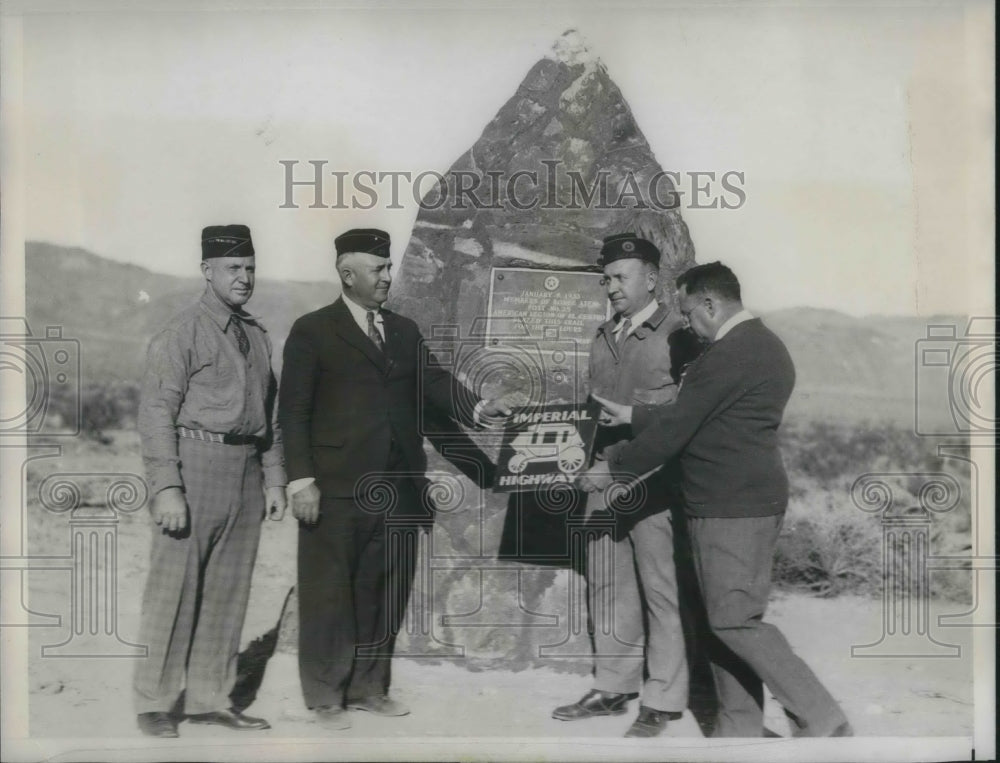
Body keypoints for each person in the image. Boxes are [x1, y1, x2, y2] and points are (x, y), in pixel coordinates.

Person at [578, 261, 852, 738]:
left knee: (735, 621)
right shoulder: (758, 345)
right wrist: (636, 415)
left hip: (733, 508)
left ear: (710, 303)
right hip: (730, 503)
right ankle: (737, 727)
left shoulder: (729, 354)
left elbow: (680, 427)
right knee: (722, 620)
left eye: (688, 313)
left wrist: (610, 472)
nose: (686, 324)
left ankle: (822, 717)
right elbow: (704, 416)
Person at [278, 228, 510, 731]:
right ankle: (324, 695)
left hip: (399, 487)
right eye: (378, 269)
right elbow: (292, 413)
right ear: (347, 274)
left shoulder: (404, 331)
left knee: (383, 590)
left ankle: (368, 688)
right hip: (335, 488)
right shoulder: (312, 331)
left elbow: (434, 384)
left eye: (388, 266)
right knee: (328, 591)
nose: (388, 276)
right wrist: (300, 481)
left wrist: (478, 407)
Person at [134, 224, 287, 738]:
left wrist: (275, 481)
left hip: (246, 470)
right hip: (194, 465)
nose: (243, 278)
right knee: (174, 588)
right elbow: (156, 413)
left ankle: (208, 697)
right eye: (232, 269)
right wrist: (167, 487)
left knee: (229, 590)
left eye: (249, 268)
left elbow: (273, 416)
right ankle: (155, 700)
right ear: (207, 271)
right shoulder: (181, 333)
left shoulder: (259, 337)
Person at [551, 233, 691, 737]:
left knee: (661, 590)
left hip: (654, 483)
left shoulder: (679, 333)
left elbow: (691, 414)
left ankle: (663, 697)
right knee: (609, 586)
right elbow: (590, 410)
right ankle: (613, 686)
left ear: (651, 279)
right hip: (601, 480)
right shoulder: (602, 334)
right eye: (606, 278)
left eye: (620, 277)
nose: (611, 287)